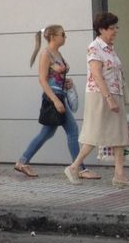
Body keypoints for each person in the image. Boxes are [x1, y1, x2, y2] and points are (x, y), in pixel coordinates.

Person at [14, 25, 98, 179]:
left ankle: (22, 161)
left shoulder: (57, 54)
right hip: (54, 98)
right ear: (53, 36)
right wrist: (55, 100)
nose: (65, 37)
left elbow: (56, 77)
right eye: (63, 34)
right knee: (72, 131)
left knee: (46, 133)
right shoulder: (46, 54)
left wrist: (67, 82)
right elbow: (42, 80)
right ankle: (79, 168)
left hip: (60, 95)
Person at [65, 12, 129, 187]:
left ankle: (119, 175)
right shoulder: (95, 47)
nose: (115, 31)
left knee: (120, 134)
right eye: (112, 28)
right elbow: (96, 74)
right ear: (101, 29)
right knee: (94, 133)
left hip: (114, 93)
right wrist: (109, 98)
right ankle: (74, 167)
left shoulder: (110, 48)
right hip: (100, 95)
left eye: (116, 27)